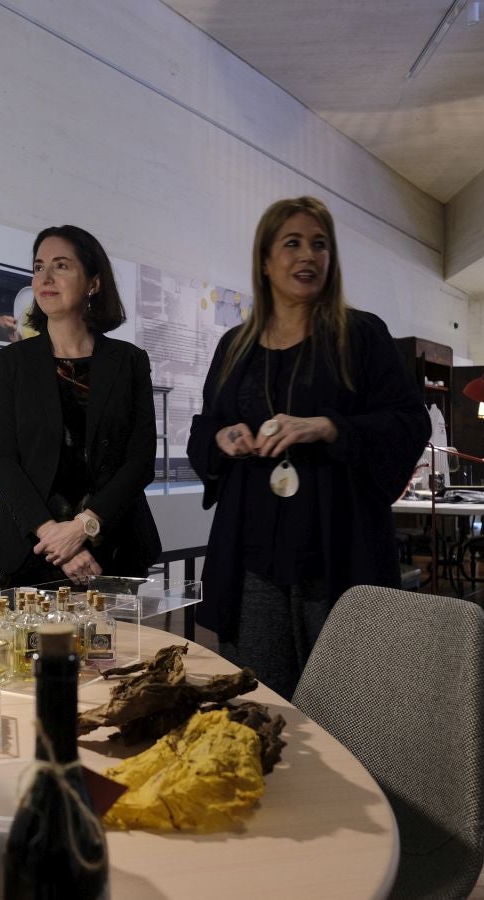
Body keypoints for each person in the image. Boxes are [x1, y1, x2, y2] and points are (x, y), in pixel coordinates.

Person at [187, 197, 430, 699]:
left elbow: (409, 422)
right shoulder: (235, 347)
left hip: (339, 551)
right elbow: (204, 430)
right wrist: (223, 437)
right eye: (292, 243)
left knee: (350, 710)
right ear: (265, 260)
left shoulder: (360, 336)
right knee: (261, 706)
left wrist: (329, 427)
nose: (308, 256)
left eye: (320, 245)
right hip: (253, 558)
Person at [0, 225, 161, 589]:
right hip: (33, 551)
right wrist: (55, 537)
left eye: (61, 266)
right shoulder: (12, 362)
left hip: (112, 551)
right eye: (38, 267)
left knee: (117, 649)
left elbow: (140, 460)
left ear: (93, 283)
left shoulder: (129, 361)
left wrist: (84, 527)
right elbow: (2, 459)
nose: (45, 277)